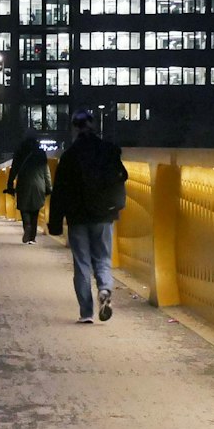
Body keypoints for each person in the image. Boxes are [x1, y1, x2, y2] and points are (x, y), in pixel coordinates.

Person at [45, 109, 128, 324]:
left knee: (81, 262)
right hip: (103, 214)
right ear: (93, 124)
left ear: (74, 127)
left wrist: (54, 222)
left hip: (78, 217)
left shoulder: (70, 155)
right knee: (102, 258)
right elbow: (121, 176)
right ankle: (104, 288)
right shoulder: (108, 151)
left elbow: (60, 191)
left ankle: (86, 313)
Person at [4, 135, 50, 243]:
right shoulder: (41, 154)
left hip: (23, 184)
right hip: (39, 185)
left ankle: (27, 226)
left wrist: (10, 185)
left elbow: (13, 170)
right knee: (35, 210)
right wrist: (49, 187)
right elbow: (46, 171)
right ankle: (32, 238)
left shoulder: (19, 152)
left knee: (24, 208)